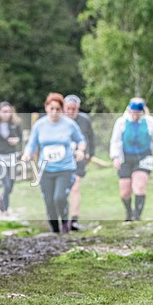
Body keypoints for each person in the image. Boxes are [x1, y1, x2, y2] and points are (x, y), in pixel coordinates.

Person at [22, 93, 86, 233]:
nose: (55, 112)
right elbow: (32, 144)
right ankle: (54, 227)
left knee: (60, 197)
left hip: (65, 168)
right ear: (46, 108)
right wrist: (27, 154)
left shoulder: (69, 124)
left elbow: (81, 140)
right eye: (52, 108)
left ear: (62, 109)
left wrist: (80, 151)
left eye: (58, 109)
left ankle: (64, 221)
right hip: (46, 169)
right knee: (49, 200)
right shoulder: (39, 125)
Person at [109, 97, 153, 221]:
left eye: (137, 113)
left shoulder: (149, 121)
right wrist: (115, 157)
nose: (135, 115)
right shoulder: (121, 122)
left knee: (139, 187)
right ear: (129, 110)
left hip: (144, 157)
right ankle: (129, 213)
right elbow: (115, 141)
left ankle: (137, 216)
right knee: (125, 192)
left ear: (142, 112)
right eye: (133, 113)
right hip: (125, 158)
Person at [63, 95, 95, 230]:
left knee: (75, 187)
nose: (71, 111)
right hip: (61, 160)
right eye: (68, 108)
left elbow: (91, 138)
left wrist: (90, 154)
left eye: (73, 109)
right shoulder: (58, 120)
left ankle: (74, 220)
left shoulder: (84, 120)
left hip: (78, 158)